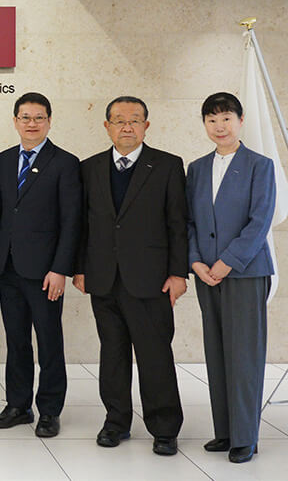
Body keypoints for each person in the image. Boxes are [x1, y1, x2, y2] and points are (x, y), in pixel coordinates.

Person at [73, 95, 187, 456]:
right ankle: (116, 421)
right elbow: (82, 226)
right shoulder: (89, 168)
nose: (126, 126)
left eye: (134, 120)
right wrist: (79, 268)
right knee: (112, 354)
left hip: (151, 280)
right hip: (103, 278)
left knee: (155, 355)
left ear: (146, 126)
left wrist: (178, 273)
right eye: (119, 120)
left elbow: (178, 225)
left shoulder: (167, 166)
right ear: (106, 126)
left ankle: (165, 428)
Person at [0, 92, 81, 438]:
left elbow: (72, 221)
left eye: (39, 117)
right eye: (25, 117)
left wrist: (60, 269)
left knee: (49, 341)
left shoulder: (65, 163)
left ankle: (50, 410)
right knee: (16, 340)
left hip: (45, 272)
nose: (31, 123)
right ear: (15, 121)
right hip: (8, 268)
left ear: (50, 121)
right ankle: (18, 405)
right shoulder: (5, 160)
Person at [187, 92, 276, 464]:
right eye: (211, 119)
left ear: (240, 121)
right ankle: (224, 431)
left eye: (226, 118)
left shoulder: (261, 165)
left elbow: (261, 221)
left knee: (244, 356)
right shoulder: (196, 168)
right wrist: (195, 262)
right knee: (217, 354)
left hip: (243, 272)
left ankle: (245, 437)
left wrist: (228, 262)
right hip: (206, 274)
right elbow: (188, 221)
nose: (219, 126)